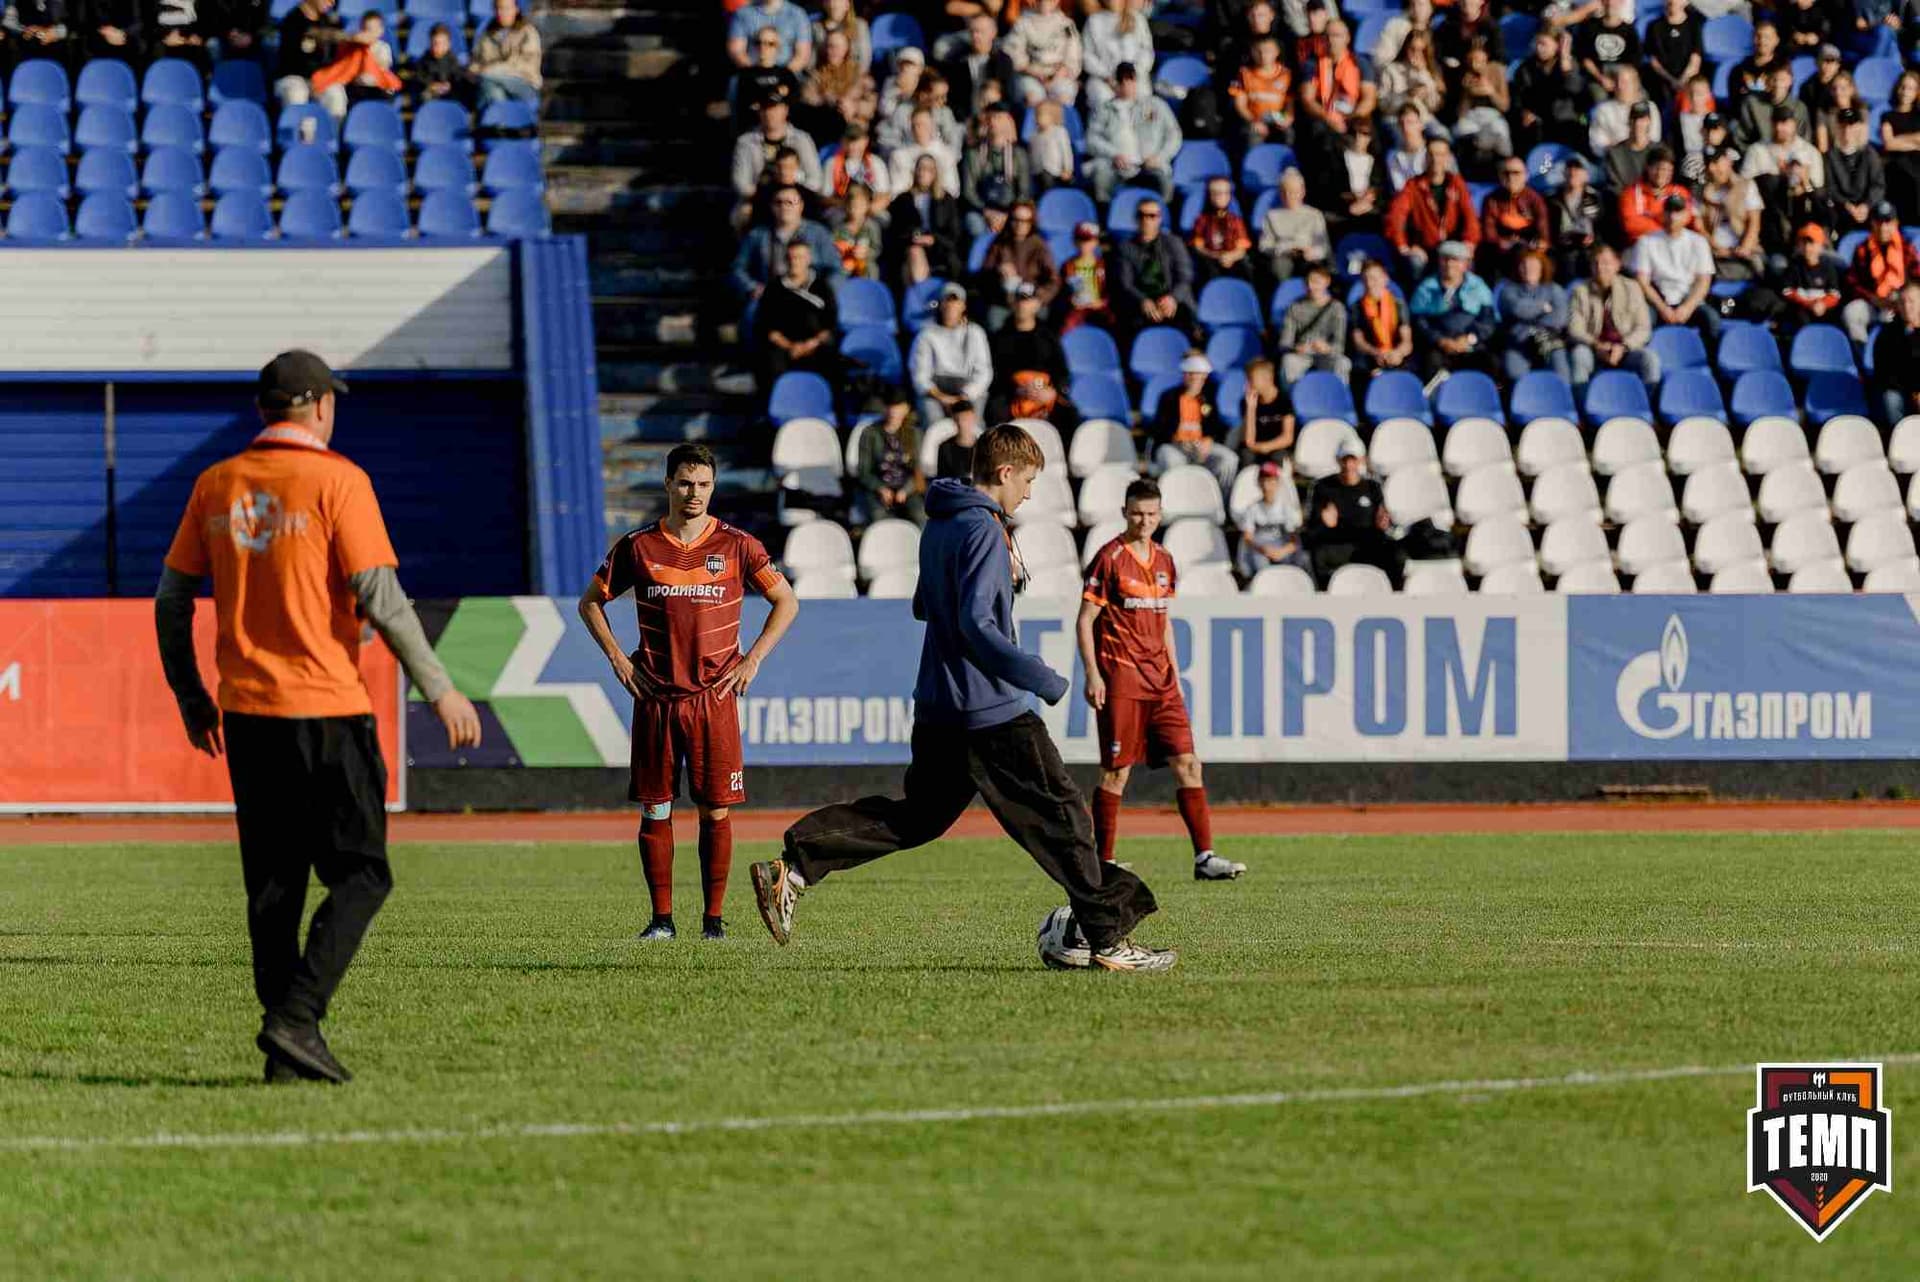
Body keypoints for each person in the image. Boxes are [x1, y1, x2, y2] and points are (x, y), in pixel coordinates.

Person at [154, 350, 484, 1084]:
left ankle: (287, 1053)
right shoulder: (340, 481)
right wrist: (441, 689)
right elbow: (383, 600)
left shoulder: (216, 484)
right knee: (363, 874)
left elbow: (171, 600)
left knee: (273, 888)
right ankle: (297, 1019)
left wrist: (190, 695)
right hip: (327, 708)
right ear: (318, 406)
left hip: (246, 714)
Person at [756, 425, 1174, 972]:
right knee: (1065, 816)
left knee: (917, 819)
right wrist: (1040, 676)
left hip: (938, 705)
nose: (1028, 493)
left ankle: (797, 864)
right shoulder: (981, 529)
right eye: (1027, 480)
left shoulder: (940, 524)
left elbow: (923, 606)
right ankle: (1105, 940)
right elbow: (977, 625)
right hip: (989, 711)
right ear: (1004, 473)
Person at [579, 444, 800, 943]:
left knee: (715, 810)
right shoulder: (638, 547)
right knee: (656, 807)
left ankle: (713, 922)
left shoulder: (738, 546)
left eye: (702, 484)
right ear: (667, 485)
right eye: (684, 483)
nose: (693, 493)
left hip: (713, 698)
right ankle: (661, 921)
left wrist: (754, 658)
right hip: (655, 697)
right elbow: (590, 602)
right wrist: (617, 657)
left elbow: (785, 600)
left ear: (713, 487)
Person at [1078, 479, 1245, 881]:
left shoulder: (1167, 561)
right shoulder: (1109, 557)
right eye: (1137, 513)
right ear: (1124, 512)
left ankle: (1204, 857)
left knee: (1189, 763)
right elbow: (1086, 621)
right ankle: (1105, 861)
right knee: (1117, 771)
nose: (1144, 521)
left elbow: (1164, 622)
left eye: (1152, 514)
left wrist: (1175, 671)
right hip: (1121, 679)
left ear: (1161, 515)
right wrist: (1093, 674)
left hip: (1163, 683)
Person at [1084, 61, 1183, 203]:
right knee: (1101, 179)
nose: (1126, 85)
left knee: (1165, 183)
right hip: (1116, 165)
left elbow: (1174, 135)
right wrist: (1114, 154)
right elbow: (1092, 138)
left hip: (1150, 165)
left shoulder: (1156, 105)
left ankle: (1161, 220)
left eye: (1130, 80)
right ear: (1115, 83)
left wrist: (1160, 157)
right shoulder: (1103, 109)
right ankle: (1105, 219)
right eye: (1122, 81)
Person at [1305, 440, 1400, 585]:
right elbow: (1312, 528)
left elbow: (1385, 521)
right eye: (1345, 460)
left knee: (1394, 552)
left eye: (1353, 460)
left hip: (1367, 544)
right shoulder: (1323, 487)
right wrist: (1325, 524)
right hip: (1337, 545)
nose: (1349, 465)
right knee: (1318, 554)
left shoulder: (1373, 487)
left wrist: (1384, 525)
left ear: (1361, 460)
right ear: (1338, 461)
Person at [1385, 134, 1478, 279]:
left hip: (1452, 246)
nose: (1436, 159)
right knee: (1414, 262)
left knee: (1467, 261)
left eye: (1441, 154)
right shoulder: (1413, 185)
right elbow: (1395, 217)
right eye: (1431, 154)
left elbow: (1470, 217)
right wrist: (1404, 246)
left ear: (1448, 158)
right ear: (1425, 157)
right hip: (1424, 248)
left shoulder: (1456, 183)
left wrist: (1469, 243)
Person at [1569, 241, 1659, 391]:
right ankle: (1582, 404)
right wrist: (1596, 345)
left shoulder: (1632, 288)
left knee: (1650, 359)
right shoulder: (1581, 291)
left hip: (1624, 348)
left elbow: (1643, 328)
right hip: (1594, 349)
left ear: (1617, 265)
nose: (1600, 268)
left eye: (1605, 263)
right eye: (1595, 263)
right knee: (1579, 355)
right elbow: (1575, 329)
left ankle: (1647, 403)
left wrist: (1623, 346)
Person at [1632, 193, 1720, 343]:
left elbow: (1704, 282)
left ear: (1687, 215)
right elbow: (1643, 282)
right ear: (1663, 214)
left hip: (1688, 300)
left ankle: (1712, 362)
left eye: (1678, 212)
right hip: (1658, 300)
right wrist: (1663, 308)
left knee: (1711, 319)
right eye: (1669, 211)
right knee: (1643, 322)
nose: (1673, 216)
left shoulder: (1698, 242)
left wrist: (1687, 308)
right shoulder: (1646, 241)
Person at [988, 282, 1078, 428]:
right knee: (995, 412)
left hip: (1044, 393)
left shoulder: (1048, 337)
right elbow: (995, 375)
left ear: (1037, 304)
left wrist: (1052, 392)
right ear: (1013, 303)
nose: (1023, 305)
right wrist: (1017, 390)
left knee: (1069, 416)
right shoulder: (1000, 338)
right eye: (1020, 299)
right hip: (1012, 395)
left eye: (1028, 300)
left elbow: (1061, 371)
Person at [754, 239, 838, 390]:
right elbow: (766, 325)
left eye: (799, 257)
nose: (795, 262)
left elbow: (830, 322)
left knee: (831, 359)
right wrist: (791, 346)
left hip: (815, 345)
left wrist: (809, 345)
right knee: (768, 361)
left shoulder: (822, 286)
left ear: (808, 259)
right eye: (791, 257)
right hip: (783, 346)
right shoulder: (774, 288)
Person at [730, 185, 839, 301]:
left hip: (808, 298)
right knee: (750, 315)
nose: (784, 206)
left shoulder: (819, 233)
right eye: (779, 202)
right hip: (769, 299)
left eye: (790, 202)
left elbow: (837, 270)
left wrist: (823, 291)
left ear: (801, 206)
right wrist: (753, 287)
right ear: (772, 206)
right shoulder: (757, 235)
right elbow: (737, 269)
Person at [909, 283, 993, 427]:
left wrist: (964, 396)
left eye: (955, 301)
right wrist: (942, 398)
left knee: (973, 425)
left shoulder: (975, 332)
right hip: (936, 391)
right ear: (941, 305)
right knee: (933, 423)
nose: (950, 305)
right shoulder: (926, 335)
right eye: (947, 301)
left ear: (963, 306)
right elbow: (920, 375)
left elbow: (984, 372)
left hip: (967, 390)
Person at [1150, 353, 1237, 493]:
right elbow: (1158, 429)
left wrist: (1208, 441)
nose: (1195, 379)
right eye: (1191, 374)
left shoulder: (1208, 397)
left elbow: (1216, 427)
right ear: (1184, 375)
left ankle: (1221, 504)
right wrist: (1176, 439)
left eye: (1200, 375)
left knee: (1229, 460)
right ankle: (1176, 503)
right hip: (1174, 446)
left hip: (1200, 446)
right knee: (1172, 461)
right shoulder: (1168, 397)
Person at [1409, 240, 1496, 378]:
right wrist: (1440, 340)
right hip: (1438, 346)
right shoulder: (1427, 288)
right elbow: (1420, 322)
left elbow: (1488, 320)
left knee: (1488, 363)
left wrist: (1469, 339)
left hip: (1470, 343)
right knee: (1430, 364)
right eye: (1445, 259)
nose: (1449, 264)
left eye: (1455, 260)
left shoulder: (1478, 286)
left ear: (1465, 264)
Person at [1113, 198, 1197, 337]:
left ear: (1159, 219)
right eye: (1142, 215)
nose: (1146, 220)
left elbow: (1185, 276)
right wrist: (1143, 301)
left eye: (1152, 216)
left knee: (1185, 320)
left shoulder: (1173, 243)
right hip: (1142, 302)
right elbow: (1126, 283)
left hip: (1172, 300)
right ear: (1136, 218)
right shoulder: (1125, 247)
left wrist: (1172, 298)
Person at [732, 95, 823, 222]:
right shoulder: (746, 142)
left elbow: (816, 181)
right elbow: (741, 184)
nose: (770, 113)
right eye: (765, 109)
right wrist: (765, 193)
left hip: (796, 196)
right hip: (760, 197)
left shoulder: (802, 139)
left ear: (785, 109)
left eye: (774, 108)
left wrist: (791, 182)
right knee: (742, 214)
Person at [883, 154, 964, 288]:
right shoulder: (903, 200)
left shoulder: (946, 200)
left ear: (935, 173)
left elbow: (954, 234)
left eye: (927, 169)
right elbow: (895, 231)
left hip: (939, 248)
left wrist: (933, 239)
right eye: (919, 169)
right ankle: (921, 296)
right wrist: (912, 237)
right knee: (914, 252)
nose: (922, 173)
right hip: (910, 247)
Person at [1493, 250, 1573, 384]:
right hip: (1518, 341)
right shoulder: (1508, 290)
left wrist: (1531, 323)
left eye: (1534, 266)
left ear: (1542, 267)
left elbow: (1560, 318)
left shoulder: (1554, 289)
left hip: (1549, 339)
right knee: (1515, 373)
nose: (1528, 269)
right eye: (1524, 265)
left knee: (1561, 369)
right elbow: (1518, 309)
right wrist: (1543, 307)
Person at [1845, 203, 1920, 344]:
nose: (1883, 227)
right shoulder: (1862, 249)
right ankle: (1864, 357)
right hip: (1873, 303)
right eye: (1879, 222)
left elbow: (1916, 280)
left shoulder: (1906, 248)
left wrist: (1901, 299)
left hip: (1899, 302)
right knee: (1852, 313)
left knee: (1912, 305)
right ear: (1872, 223)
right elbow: (1852, 283)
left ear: (1895, 223)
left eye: (1888, 222)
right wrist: (1874, 299)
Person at [978, 198, 1059, 329]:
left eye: (1025, 221)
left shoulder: (1039, 246)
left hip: (1032, 299)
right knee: (994, 321)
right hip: (1004, 302)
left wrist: (1038, 299)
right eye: (1016, 219)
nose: (1020, 224)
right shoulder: (999, 244)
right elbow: (983, 278)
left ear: (1031, 223)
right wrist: (998, 273)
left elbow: (1053, 281)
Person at [961, 104, 1033, 236]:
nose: (993, 122)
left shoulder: (1019, 154)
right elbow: (969, 191)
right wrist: (987, 212)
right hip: (981, 210)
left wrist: (1008, 215)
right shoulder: (973, 154)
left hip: (1011, 212)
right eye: (989, 118)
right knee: (974, 224)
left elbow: (1024, 191)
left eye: (998, 118)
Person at [1511, 27, 1585, 153]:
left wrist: (1565, 66)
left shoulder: (1569, 64)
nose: (1539, 48)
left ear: (1557, 46)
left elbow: (1575, 90)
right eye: (1537, 44)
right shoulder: (1526, 68)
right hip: (1537, 118)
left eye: (1544, 44)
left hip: (1563, 117)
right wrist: (1524, 111)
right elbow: (1519, 96)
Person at [855, 396, 927, 524]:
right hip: (878, 486)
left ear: (906, 409)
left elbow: (917, 471)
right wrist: (880, 488)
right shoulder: (870, 433)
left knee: (920, 516)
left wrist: (905, 490)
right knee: (878, 517)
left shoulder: (914, 434)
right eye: (890, 407)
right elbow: (864, 471)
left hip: (907, 488)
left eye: (898, 407)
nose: (893, 411)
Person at [275, 0, 352, 119]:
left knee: (336, 95)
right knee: (296, 93)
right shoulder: (292, 19)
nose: (331, 2)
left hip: (321, 77)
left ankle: (332, 135)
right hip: (293, 76)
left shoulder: (329, 21)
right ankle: (299, 137)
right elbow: (293, 58)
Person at [1698, 145, 1765, 282]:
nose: (1712, 168)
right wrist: (1715, 247)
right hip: (1713, 249)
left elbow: (1754, 221)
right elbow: (1699, 227)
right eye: (1708, 163)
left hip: (1743, 246)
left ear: (1728, 162)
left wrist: (1745, 246)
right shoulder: (1699, 192)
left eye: (1717, 163)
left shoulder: (1746, 186)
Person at [1234, 460, 1310, 579]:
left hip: (1282, 549)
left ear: (1277, 482)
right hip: (1260, 550)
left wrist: (1282, 551)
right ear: (1258, 482)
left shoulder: (1286, 508)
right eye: (1263, 479)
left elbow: (1294, 539)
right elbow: (1247, 537)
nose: (1266, 484)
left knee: (1291, 570)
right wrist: (1263, 549)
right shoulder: (1252, 508)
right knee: (1262, 572)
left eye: (1270, 480)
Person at [1479, 155, 1550, 281]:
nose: (1511, 177)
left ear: (1525, 175)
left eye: (1516, 173)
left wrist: (1533, 244)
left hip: (1529, 248)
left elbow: (1543, 233)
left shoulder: (1535, 200)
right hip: (1500, 249)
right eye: (1506, 173)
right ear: (1500, 176)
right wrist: (1502, 242)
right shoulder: (1491, 200)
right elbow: (1489, 232)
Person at [1277, 261, 1350, 382]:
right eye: (1307, 282)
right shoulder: (1295, 307)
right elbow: (1284, 343)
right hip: (1302, 354)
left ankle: (1336, 397)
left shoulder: (1337, 308)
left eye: (1316, 282)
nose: (1311, 286)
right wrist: (1296, 348)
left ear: (1327, 282)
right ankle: (1293, 398)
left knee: (1342, 363)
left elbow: (1340, 345)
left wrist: (1327, 348)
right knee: (1288, 362)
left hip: (1326, 355)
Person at [1257, 167, 1330, 283]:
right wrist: (1284, 249)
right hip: (1283, 256)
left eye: (1293, 192)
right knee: (1278, 266)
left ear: (1302, 192)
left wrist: (1312, 252)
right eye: (1284, 191)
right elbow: (1264, 246)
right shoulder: (1271, 215)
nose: (1288, 196)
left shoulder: (1314, 215)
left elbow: (1323, 246)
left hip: (1308, 257)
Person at [1005, 0, 1083, 107]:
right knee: (1033, 98)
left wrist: (1056, 76)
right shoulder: (1022, 23)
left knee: (1064, 98)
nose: (1045, 2)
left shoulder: (1066, 24)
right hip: (1030, 74)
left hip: (1059, 75)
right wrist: (1033, 72)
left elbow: (1073, 56)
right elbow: (1014, 53)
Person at [1349, 257, 1414, 384]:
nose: (1370, 283)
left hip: (1395, 352)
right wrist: (1376, 353)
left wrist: (1398, 353)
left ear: (1385, 279)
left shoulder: (1398, 305)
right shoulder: (1357, 307)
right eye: (1365, 279)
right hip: (1371, 353)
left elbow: (1407, 340)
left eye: (1374, 278)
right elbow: (1358, 341)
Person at [1081, 0, 1154, 111]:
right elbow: (1087, 56)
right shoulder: (1093, 20)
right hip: (1104, 81)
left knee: (1142, 97)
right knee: (1101, 97)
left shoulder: (1137, 19)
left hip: (1134, 78)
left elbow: (1146, 52)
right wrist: (1108, 77)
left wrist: (1132, 76)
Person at [941, 12, 1015, 119]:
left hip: (995, 118)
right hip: (964, 121)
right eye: (972, 32)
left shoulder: (1002, 61)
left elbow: (1008, 96)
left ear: (993, 33)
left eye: (980, 32)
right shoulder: (958, 61)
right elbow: (954, 98)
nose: (975, 36)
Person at [1825, 109, 1885, 239]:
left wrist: (1866, 205)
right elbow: (1830, 187)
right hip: (1841, 209)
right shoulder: (1830, 156)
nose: (1847, 130)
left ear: (1858, 127)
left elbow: (1878, 185)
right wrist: (1847, 205)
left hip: (1867, 208)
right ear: (1837, 127)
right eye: (1843, 125)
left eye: (1851, 125)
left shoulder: (1869, 154)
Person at [470, 0, 541, 110]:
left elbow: (522, 66)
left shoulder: (528, 32)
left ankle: (494, 117)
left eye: (506, 8)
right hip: (490, 80)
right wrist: (474, 71)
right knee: (493, 89)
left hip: (524, 83)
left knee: (488, 79)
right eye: (498, 8)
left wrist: (490, 70)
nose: (501, 12)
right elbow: (476, 61)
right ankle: (502, 123)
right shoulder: (487, 33)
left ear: (516, 10)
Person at [1229, 33, 1295, 150]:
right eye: (1258, 51)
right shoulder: (1244, 73)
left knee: (1288, 133)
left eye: (1268, 51)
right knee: (1252, 134)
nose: (1263, 55)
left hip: (1277, 118)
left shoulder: (1286, 74)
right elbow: (1240, 105)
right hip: (1254, 118)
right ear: (1252, 52)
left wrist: (1288, 119)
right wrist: (1254, 121)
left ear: (1276, 52)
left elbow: (1290, 104)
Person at [1618, 146, 1694, 245]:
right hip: (1640, 248)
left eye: (1667, 169)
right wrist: (1666, 228)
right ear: (1648, 168)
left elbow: (1686, 218)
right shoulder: (1630, 194)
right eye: (1657, 168)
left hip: (1676, 245)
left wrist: (1653, 221)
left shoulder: (1680, 192)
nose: (1661, 174)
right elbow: (1631, 224)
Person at [1871, 281, 1920, 427]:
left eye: (1911, 301)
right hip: (1900, 388)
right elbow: (1884, 371)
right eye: (1902, 302)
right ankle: (1898, 438)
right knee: (1891, 398)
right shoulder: (1888, 334)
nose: (1906, 306)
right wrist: (1912, 390)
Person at [1189, 176, 1254, 284]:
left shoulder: (1236, 220)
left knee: (1245, 268)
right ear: (1210, 196)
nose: (1221, 197)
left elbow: (1242, 248)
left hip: (1232, 257)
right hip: (1210, 258)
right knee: (1207, 269)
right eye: (1216, 193)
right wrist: (1216, 256)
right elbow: (1198, 247)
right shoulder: (1202, 220)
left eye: (1225, 193)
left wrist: (1231, 256)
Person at [1551, 154, 1603, 280]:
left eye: (1578, 168)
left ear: (1586, 175)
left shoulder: (1598, 198)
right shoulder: (1553, 200)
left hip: (1590, 247)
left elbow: (1604, 226)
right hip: (1562, 248)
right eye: (1569, 168)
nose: (1573, 171)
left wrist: (1593, 240)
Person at [1641, 0, 1703, 104]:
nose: (1673, 2)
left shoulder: (1694, 25)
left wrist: (1683, 81)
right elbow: (1654, 60)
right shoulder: (1654, 26)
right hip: (1663, 78)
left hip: (1687, 78)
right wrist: (1671, 80)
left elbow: (1696, 59)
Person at [1239, 357, 1295, 467]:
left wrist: (1267, 447)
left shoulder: (1284, 401)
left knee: (1279, 458)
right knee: (1246, 456)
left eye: (1251, 379)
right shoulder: (1246, 401)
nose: (1247, 385)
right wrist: (1251, 408)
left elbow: (1287, 438)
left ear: (1267, 379)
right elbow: (1249, 441)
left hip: (1276, 447)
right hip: (1254, 447)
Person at [726, 0, 810, 71]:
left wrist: (781, 76)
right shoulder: (743, 14)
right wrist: (758, 76)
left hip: (787, 77)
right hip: (750, 76)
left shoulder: (798, 14)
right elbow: (736, 52)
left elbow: (802, 55)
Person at [1059, 221, 1112, 332]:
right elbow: (1061, 292)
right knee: (1066, 328)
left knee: (1113, 325)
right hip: (1077, 309)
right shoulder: (1067, 266)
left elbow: (1112, 290)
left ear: (1096, 242)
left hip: (1099, 308)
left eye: (1088, 240)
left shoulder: (1104, 265)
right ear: (1074, 241)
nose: (1084, 244)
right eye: (1081, 240)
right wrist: (1071, 301)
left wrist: (1102, 302)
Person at [406, 23, 474, 107]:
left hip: (450, 94)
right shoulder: (424, 60)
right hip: (430, 93)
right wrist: (431, 85)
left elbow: (458, 77)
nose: (436, 47)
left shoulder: (453, 61)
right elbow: (419, 77)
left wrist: (449, 85)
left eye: (440, 43)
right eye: (434, 43)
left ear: (448, 45)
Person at [827, 180, 884, 279]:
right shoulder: (838, 227)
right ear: (846, 206)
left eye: (859, 206)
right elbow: (832, 247)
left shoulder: (872, 226)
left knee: (871, 269)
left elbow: (877, 248)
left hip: (865, 264)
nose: (855, 210)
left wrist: (866, 252)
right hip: (844, 264)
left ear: (866, 206)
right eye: (852, 206)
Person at [1028, 98, 1077, 192]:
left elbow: (1066, 152)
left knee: (1049, 183)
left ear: (1053, 116)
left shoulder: (1060, 132)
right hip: (1038, 171)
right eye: (1036, 114)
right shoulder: (1033, 136)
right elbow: (1031, 154)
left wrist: (1067, 169)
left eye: (1041, 114)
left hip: (1055, 171)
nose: (1037, 117)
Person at [934, 399, 983, 478]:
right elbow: (943, 480)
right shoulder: (945, 448)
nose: (961, 423)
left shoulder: (984, 447)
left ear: (974, 418)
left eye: (965, 418)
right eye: (957, 419)